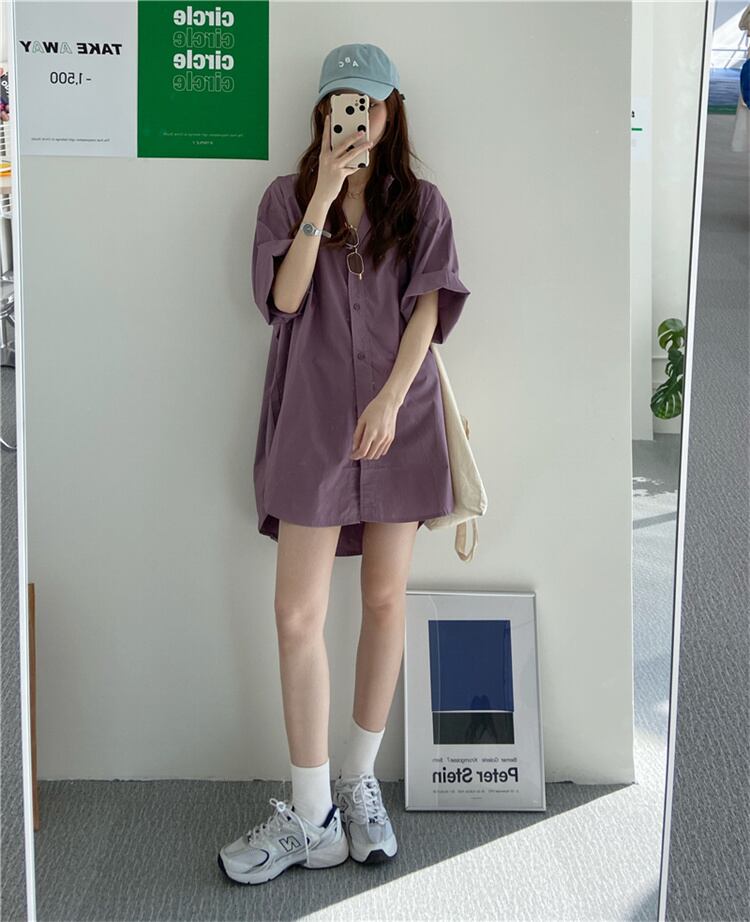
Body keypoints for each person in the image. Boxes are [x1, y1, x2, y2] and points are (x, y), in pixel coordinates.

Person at [218, 43, 470, 885]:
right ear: (324, 114)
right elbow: (284, 300)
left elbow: (428, 311)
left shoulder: (423, 203)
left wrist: (392, 400)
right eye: (342, 105)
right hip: (312, 421)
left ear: (391, 111)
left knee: (385, 599)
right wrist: (324, 196)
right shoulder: (285, 198)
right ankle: (313, 811)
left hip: (400, 417)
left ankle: (360, 785)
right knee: (297, 614)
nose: (357, 118)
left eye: (370, 104)